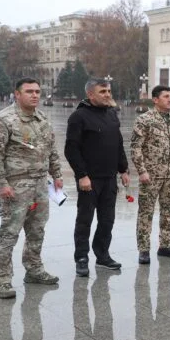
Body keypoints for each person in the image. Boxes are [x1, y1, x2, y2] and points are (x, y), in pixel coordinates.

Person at [0, 78, 63, 299]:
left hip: (40, 184)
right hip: (15, 186)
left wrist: (56, 175)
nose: (35, 95)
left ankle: (34, 269)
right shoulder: (3, 120)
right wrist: (2, 184)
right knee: (9, 233)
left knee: (37, 230)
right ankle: (2, 279)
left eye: (37, 91)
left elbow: (51, 149)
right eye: (29, 91)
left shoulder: (42, 118)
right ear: (17, 94)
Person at [65, 79, 130, 277]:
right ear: (90, 95)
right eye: (103, 91)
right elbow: (71, 149)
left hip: (109, 179)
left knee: (107, 220)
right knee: (85, 220)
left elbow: (118, 143)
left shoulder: (111, 114)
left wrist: (123, 169)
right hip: (89, 180)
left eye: (109, 91)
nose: (108, 94)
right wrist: (82, 175)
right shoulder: (79, 117)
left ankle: (102, 255)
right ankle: (82, 258)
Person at [130, 85, 170, 264]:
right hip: (151, 175)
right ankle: (144, 249)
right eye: (166, 96)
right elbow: (136, 148)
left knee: (168, 211)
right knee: (146, 212)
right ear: (155, 99)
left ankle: (165, 245)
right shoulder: (145, 120)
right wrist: (142, 171)